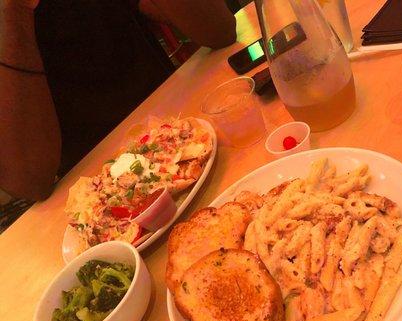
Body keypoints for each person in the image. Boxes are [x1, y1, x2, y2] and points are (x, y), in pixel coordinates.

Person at [0, 0, 236, 231]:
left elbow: (220, 30)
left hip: (191, 144)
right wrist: (15, 8)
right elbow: (29, 181)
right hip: (100, 212)